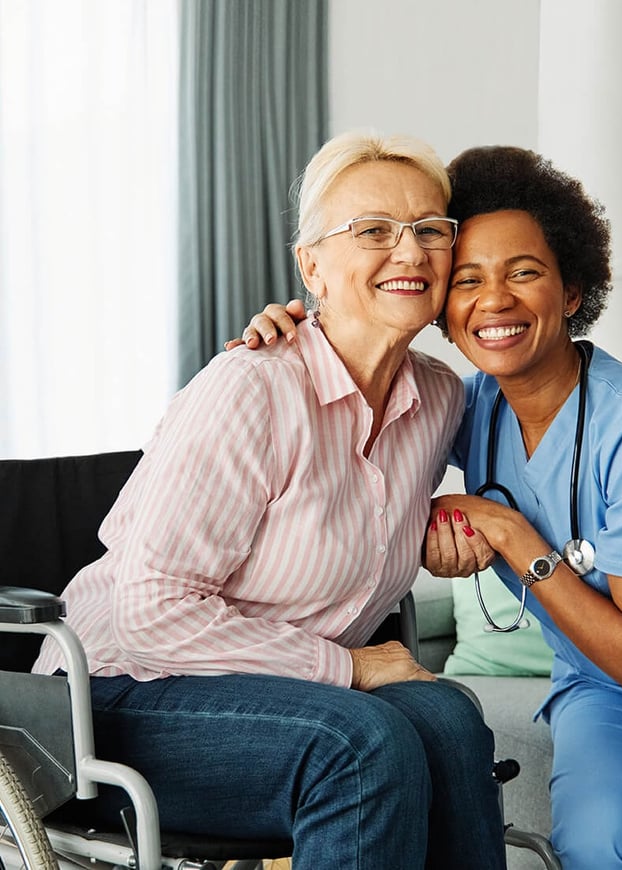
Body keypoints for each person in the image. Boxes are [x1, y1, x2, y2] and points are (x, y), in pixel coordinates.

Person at [238, 144, 622, 869]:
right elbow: (351, 437)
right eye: (466, 280)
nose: (493, 301)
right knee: (591, 844)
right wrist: (296, 332)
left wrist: (504, 528)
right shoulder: (462, 408)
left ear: (570, 292)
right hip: (602, 690)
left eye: (523, 273)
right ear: (442, 307)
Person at [32, 130, 507, 870]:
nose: (410, 253)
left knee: (448, 720)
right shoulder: (251, 387)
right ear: (311, 266)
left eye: (430, 231)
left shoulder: (441, 398)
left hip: (281, 695)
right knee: (360, 743)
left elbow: (512, 456)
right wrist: (350, 669)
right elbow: (152, 614)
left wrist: (449, 524)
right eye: (373, 231)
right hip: (115, 698)